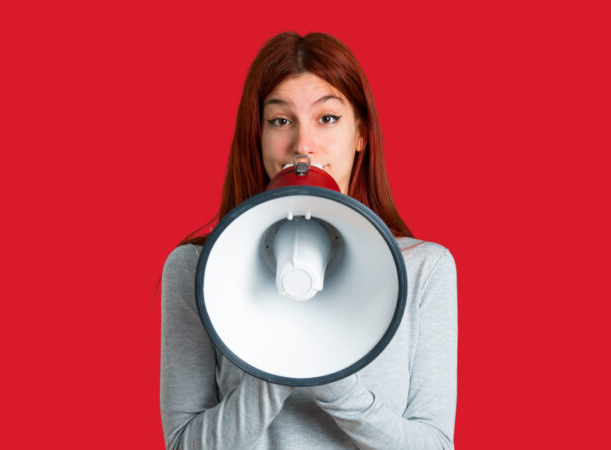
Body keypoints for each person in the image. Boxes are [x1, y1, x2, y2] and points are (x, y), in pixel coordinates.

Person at [159, 31, 458, 450]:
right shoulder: (197, 268)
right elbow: (183, 445)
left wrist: (336, 380)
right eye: (280, 121)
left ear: (361, 134)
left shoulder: (424, 268)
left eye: (327, 118)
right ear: (258, 136)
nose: (302, 145)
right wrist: (281, 362)